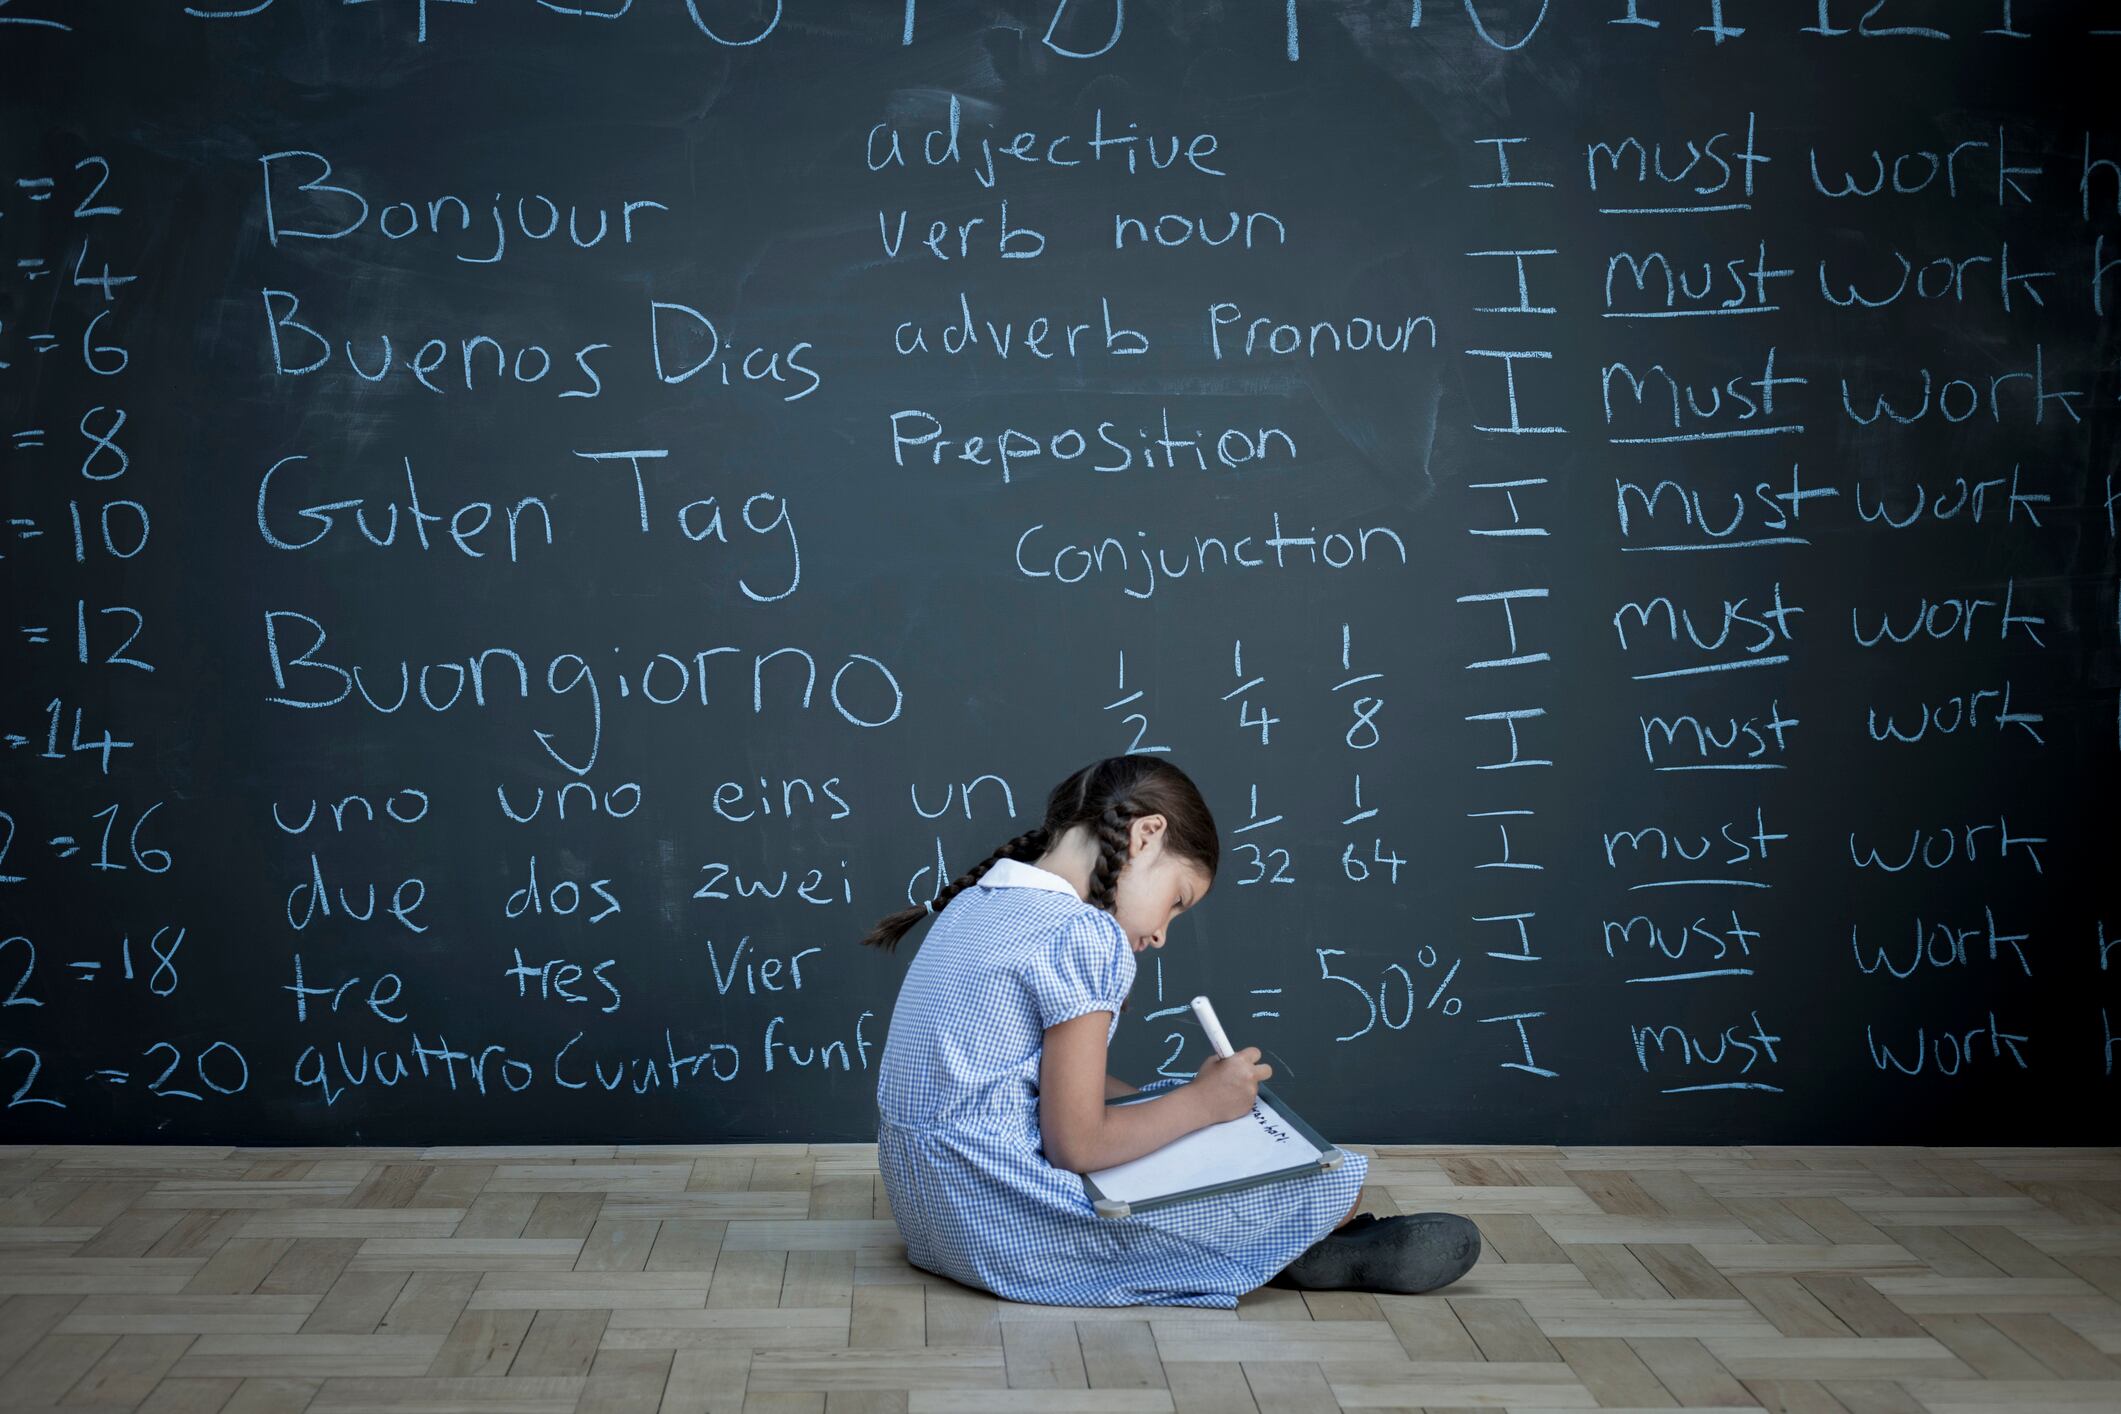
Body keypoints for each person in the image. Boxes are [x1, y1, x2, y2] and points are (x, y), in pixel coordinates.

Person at [858, 754, 1481, 1307]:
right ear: (1147, 835)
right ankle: (1309, 1241)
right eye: (1178, 901)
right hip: (1007, 1229)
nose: (1160, 935)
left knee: (1179, 1112)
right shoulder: (1084, 935)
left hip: (932, 1219)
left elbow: (1031, 1084)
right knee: (1331, 1184)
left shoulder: (973, 903)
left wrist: (1185, 1104)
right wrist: (1201, 1105)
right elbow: (1076, 1148)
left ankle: (1292, 1242)